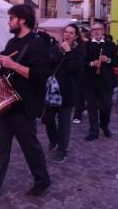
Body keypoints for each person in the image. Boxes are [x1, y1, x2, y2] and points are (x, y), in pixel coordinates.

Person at [0, 4, 51, 206]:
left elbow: (41, 75)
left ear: (22, 19)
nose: (9, 21)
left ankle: (43, 180)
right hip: (4, 102)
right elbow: (5, 68)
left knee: (29, 146)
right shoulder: (12, 42)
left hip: (24, 105)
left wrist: (13, 65)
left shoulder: (38, 43)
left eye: (12, 18)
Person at [44, 24, 85, 163]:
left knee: (64, 123)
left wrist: (68, 53)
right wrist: (59, 52)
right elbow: (49, 64)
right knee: (48, 118)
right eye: (66, 32)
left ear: (75, 36)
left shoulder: (79, 50)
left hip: (68, 91)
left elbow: (75, 68)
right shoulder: (56, 48)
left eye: (71, 33)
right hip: (54, 91)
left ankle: (62, 150)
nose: (67, 35)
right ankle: (54, 139)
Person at [84, 22, 118, 141]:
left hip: (106, 81)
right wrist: (91, 63)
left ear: (104, 31)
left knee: (106, 107)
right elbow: (81, 63)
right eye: (94, 29)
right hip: (90, 81)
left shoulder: (110, 45)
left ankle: (104, 125)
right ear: (91, 32)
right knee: (92, 107)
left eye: (99, 29)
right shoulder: (86, 45)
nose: (97, 31)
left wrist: (108, 59)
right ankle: (93, 131)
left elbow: (117, 62)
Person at [72, 26, 90, 124]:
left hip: (85, 71)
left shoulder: (88, 43)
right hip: (76, 71)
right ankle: (81, 109)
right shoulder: (75, 43)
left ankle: (77, 114)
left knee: (81, 93)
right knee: (79, 93)